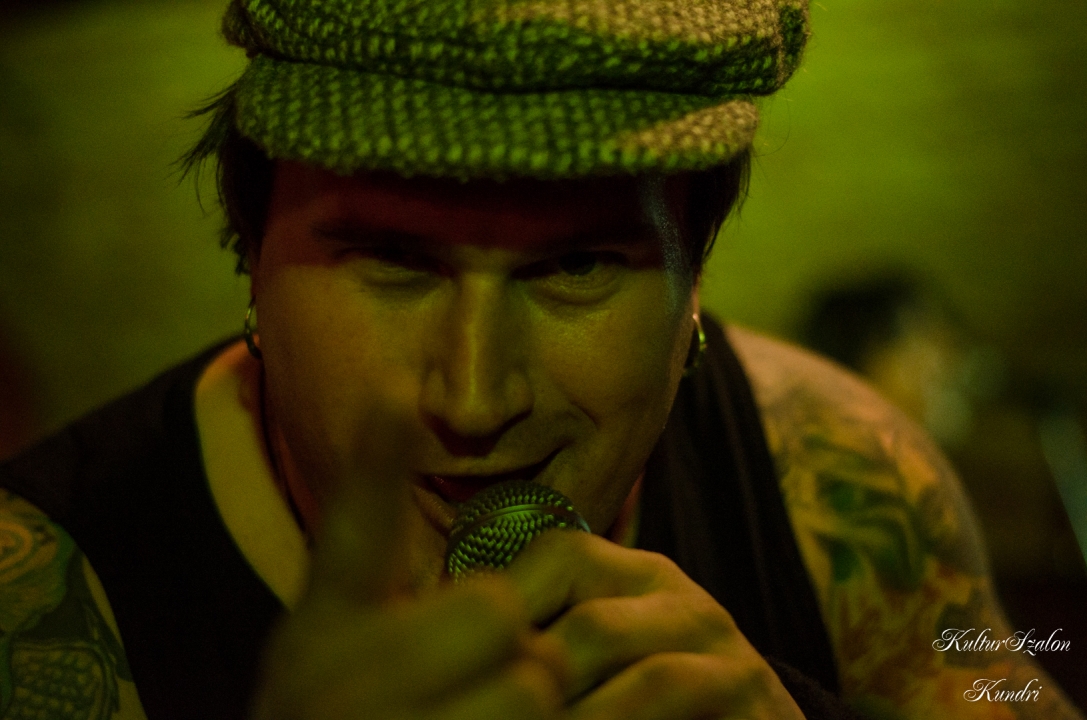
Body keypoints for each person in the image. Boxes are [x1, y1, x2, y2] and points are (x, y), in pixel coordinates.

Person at [0, 0, 1082, 718]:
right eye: (391, 262)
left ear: (695, 277)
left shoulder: (840, 478)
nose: (475, 398)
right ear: (249, 247)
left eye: (576, 267)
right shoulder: (41, 592)